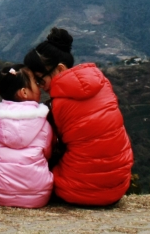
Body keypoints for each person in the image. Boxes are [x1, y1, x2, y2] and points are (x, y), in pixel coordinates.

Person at [23, 27, 133, 206]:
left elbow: (48, 148)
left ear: (59, 69)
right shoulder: (103, 84)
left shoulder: (57, 106)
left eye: (40, 79)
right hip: (118, 186)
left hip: (79, 192)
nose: (39, 85)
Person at [0, 64, 53, 208]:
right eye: (36, 83)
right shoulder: (43, 118)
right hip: (38, 194)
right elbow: (47, 153)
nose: (39, 86)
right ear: (24, 92)